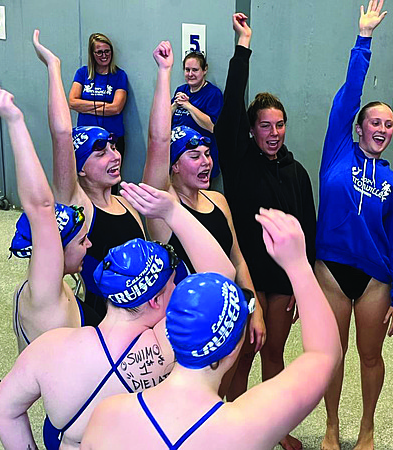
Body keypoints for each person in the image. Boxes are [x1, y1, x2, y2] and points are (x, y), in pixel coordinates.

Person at [0, 180, 235, 450]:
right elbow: (223, 278)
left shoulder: (49, 347)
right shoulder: (164, 346)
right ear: (154, 300)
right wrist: (172, 212)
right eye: (172, 285)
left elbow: (2, 408)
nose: (176, 289)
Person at [81, 208, 341, 450]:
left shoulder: (106, 416)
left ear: (169, 332)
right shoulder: (245, 428)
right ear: (235, 346)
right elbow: (324, 355)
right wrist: (298, 266)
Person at [214, 14, 317, 447]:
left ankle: (275, 429)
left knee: (273, 354)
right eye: (264, 126)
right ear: (251, 131)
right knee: (239, 357)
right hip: (246, 278)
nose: (273, 134)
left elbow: (307, 233)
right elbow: (231, 106)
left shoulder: (297, 173)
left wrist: (300, 282)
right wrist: (243, 46)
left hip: (281, 281)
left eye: (279, 125)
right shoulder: (238, 163)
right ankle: (225, 429)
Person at [143, 39, 265, 397]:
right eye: (194, 156)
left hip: (227, 313)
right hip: (185, 326)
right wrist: (165, 74)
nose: (206, 162)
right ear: (174, 165)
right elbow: (156, 141)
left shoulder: (219, 201)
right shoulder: (163, 212)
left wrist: (252, 308)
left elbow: (238, 259)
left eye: (207, 154)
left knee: (232, 390)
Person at [315, 2, 393, 449]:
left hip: (374, 279)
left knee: (370, 357)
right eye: (375, 121)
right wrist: (364, 39)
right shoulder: (338, 150)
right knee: (332, 355)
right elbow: (351, 93)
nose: (382, 128)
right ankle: (332, 427)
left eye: (389, 125)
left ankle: (367, 428)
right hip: (332, 271)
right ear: (359, 128)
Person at [34, 31, 145, 318]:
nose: (115, 156)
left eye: (113, 147)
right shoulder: (78, 205)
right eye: (101, 153)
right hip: (103, 321)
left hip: (143, 316)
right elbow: (61, 134)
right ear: (79, 168)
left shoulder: (128, 203)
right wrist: (53, 67)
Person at [0, 85, 98, 354]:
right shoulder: (46, 299)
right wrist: (14, 120)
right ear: (54, 250)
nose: (90, 245)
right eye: (82, 240)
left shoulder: (35, 289)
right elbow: (41, 206)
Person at [69, 33, 128, 174]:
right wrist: (103, 106)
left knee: (110, 179)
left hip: (112, 139)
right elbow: (72, 102)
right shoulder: (82, 74)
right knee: (84, 179)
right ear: (92, 53)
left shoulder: (119, 75)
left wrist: (84, 106)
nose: (104, 55)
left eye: (107, 51)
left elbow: (116, 108)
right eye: (99, 52)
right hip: (86, 140)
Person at [171, 51, 224, 189]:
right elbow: (164, 120)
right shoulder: (180, 90)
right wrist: (175, 104)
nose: (190, 74)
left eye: (195, 70)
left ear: (204, 70)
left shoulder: (213, 94)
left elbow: (212, 126)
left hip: (200, 158)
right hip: (178, 158)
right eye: (187, 70)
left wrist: (188, 106)